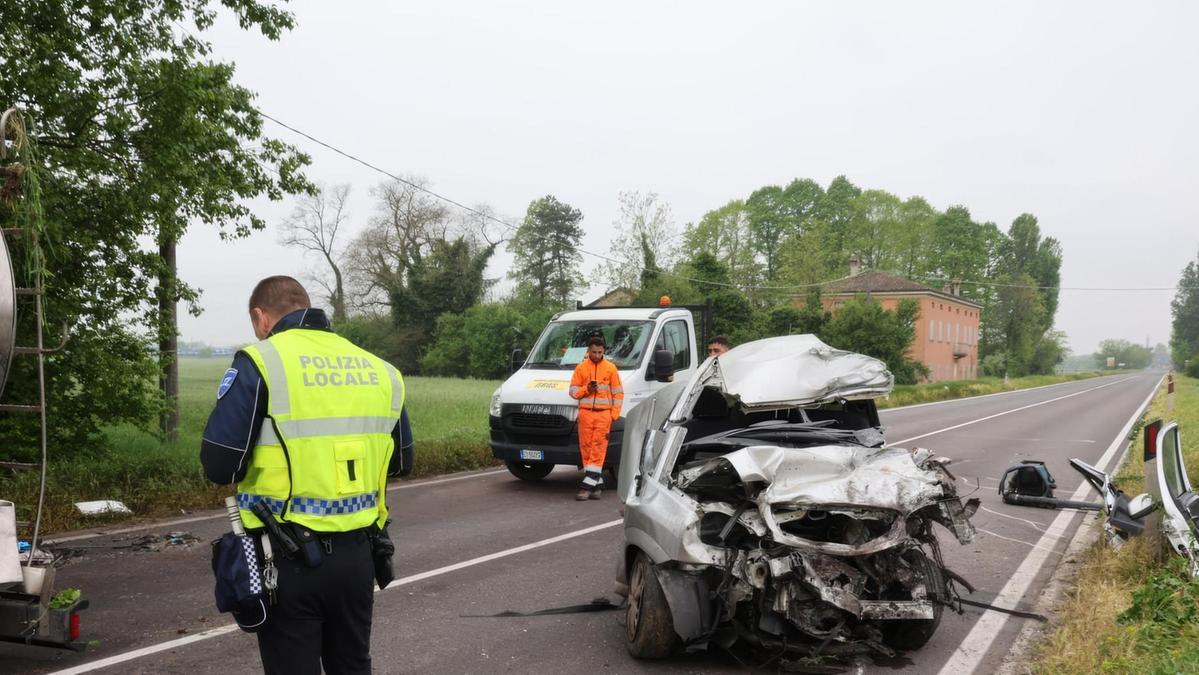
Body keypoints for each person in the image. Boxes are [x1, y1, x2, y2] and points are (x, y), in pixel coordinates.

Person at [200, 275, 414, 675]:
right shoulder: (381, 370)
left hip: (288, 558)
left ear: (261, 318)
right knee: (352, 666)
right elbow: (402, 462)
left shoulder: (261, 361)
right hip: (360, 555)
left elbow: (220, 464)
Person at [569, 336, 623, 501]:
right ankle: (597, 485)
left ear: (604, 351)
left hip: (603, 415)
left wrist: (613, 414)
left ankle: (585, 487)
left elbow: (618, 393)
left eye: (600, 352)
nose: (597, 355)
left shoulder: (611, 368)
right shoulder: (581, 368)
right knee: (586, 449)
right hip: (585, 414)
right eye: (594, 352)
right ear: (588, 351)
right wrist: (587, 389)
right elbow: (572, 392)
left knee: (598, 449)